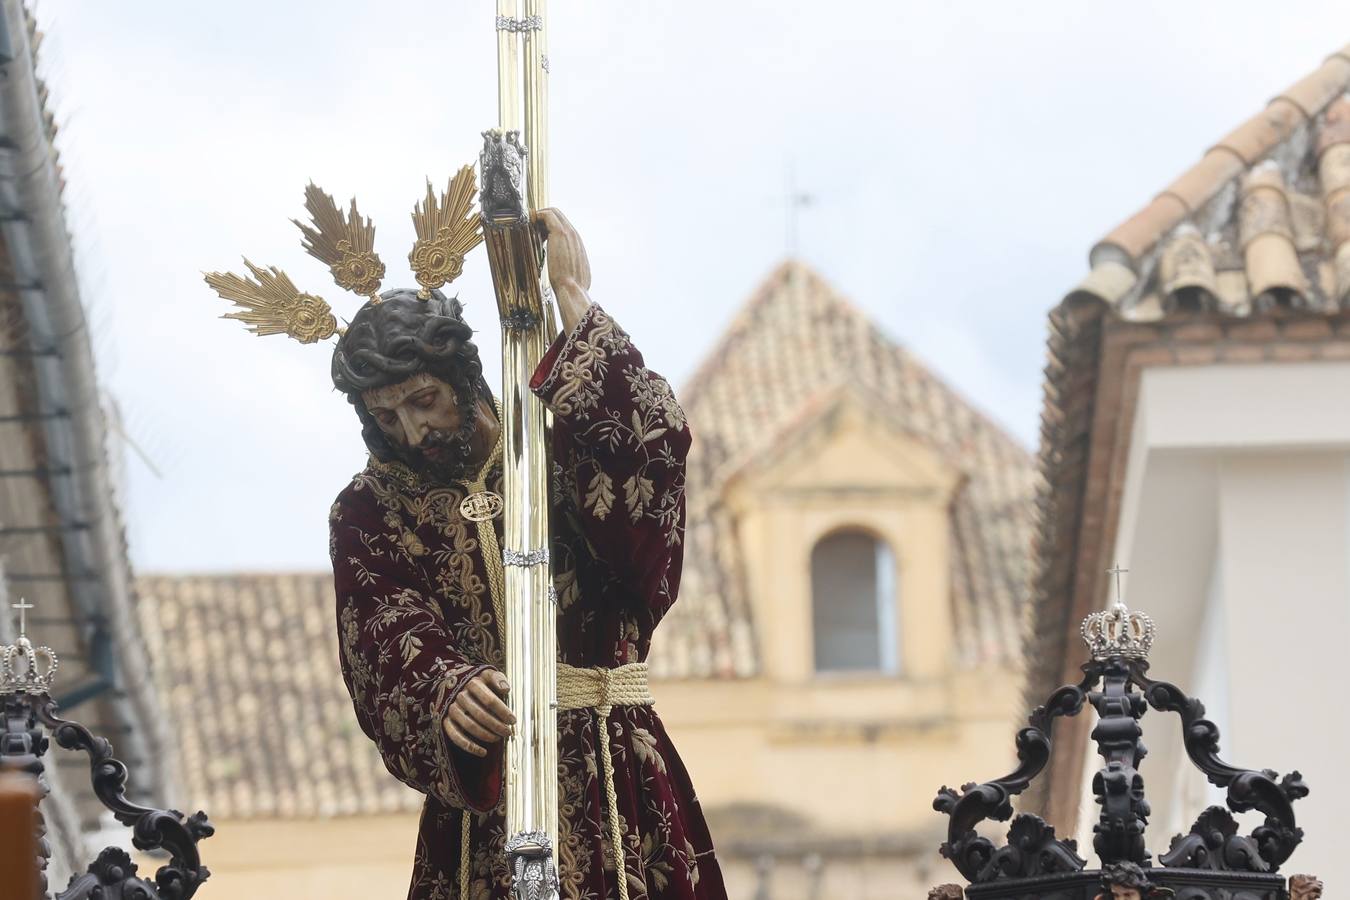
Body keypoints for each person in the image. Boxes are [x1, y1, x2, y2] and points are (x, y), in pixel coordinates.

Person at [325, 208, 726, 900]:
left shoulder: (552, 438)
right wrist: (443, 687)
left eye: (425, 402)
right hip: (489, 812)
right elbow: (381, 637)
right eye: (387, 417)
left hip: (617, 773)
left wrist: (574, 305)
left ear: (461, 378)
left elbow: (648, 477)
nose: (414, 431)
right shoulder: (370, 510)